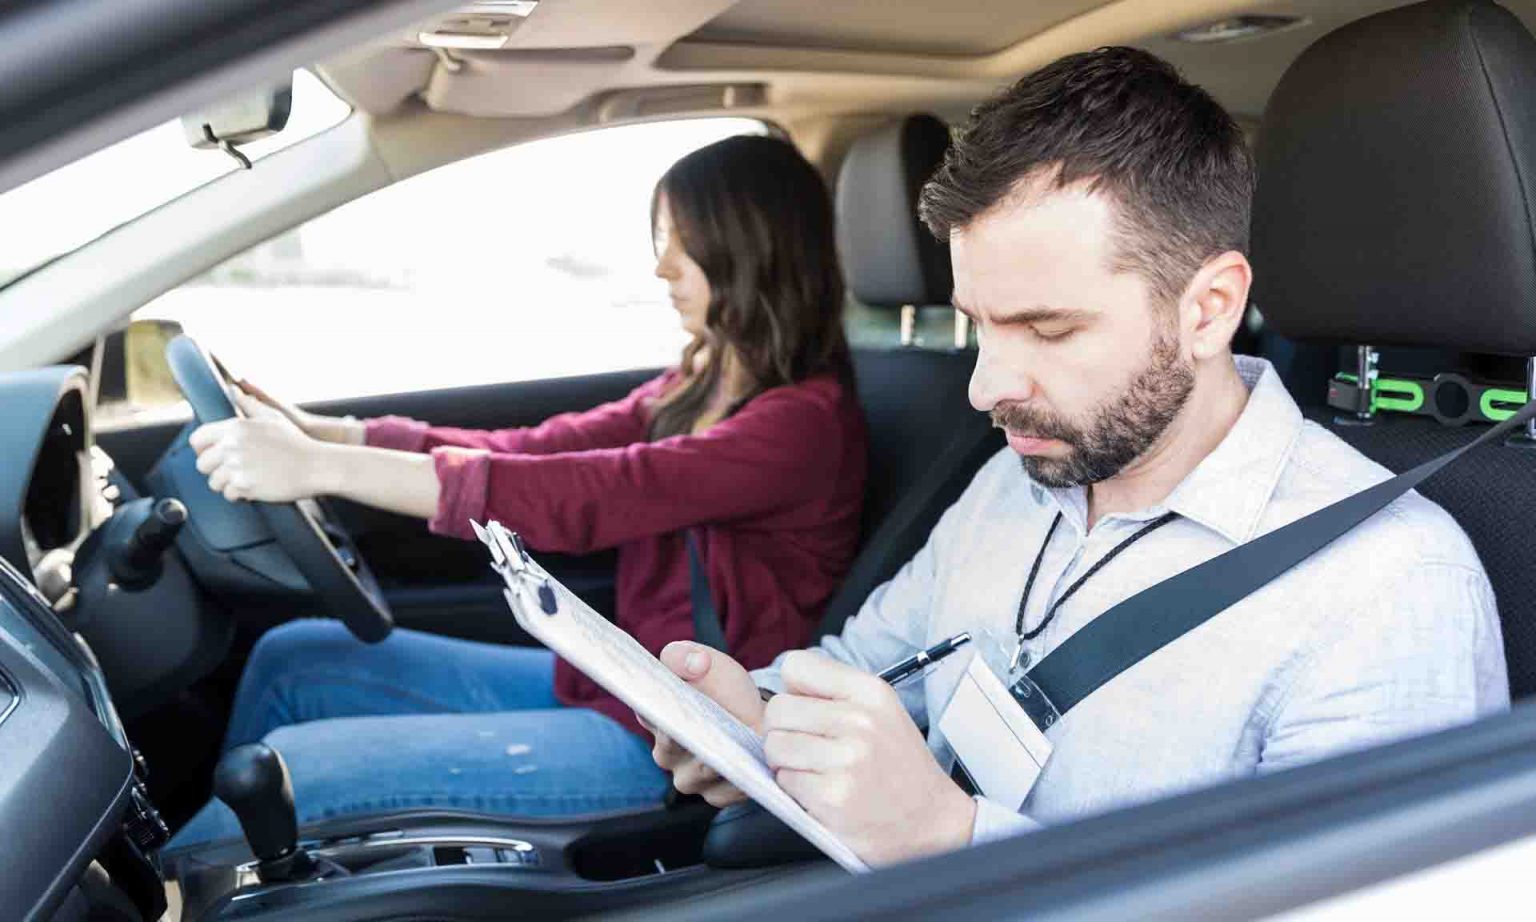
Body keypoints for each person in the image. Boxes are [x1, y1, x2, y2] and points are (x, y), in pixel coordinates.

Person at [649, 47, 1509, 867]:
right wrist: (755, 717)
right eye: (978, 325)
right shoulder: (1011, 480)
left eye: (1048, 328)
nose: (985, 388)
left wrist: (952, 840)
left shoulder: (1388, 590)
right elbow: (861, 665)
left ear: (1210, 309)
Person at [169, 134, 868, 846]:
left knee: (295, 770)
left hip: (673, 746)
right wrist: (327, 434)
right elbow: (539, 449)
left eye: (684, 245)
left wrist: (319, 469)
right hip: (619, 686)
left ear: (752, 251)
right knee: (295, 658)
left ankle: (180, 884)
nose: (662, 267)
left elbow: (589, 493)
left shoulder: (801, 425)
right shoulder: (701, 382)